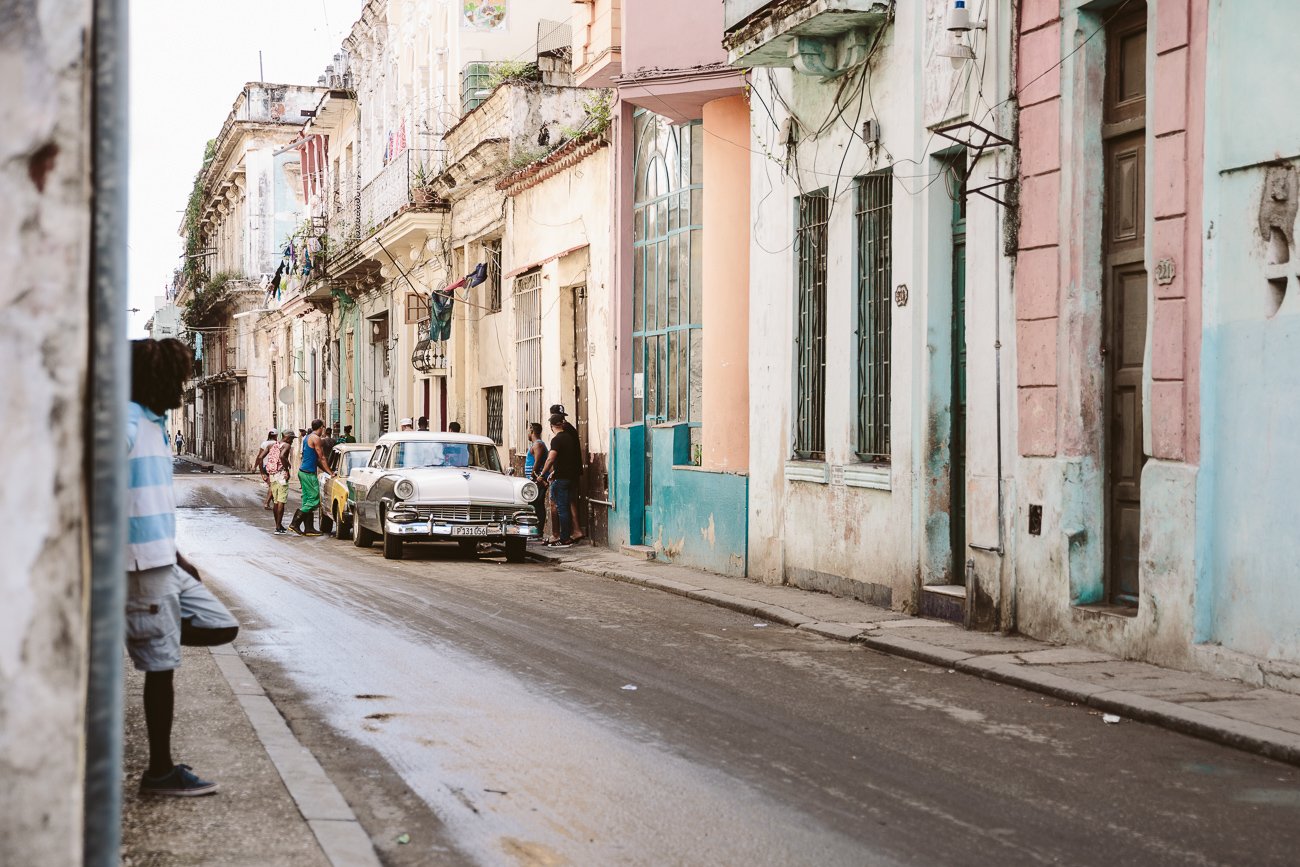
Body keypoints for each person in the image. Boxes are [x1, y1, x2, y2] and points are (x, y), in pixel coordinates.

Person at [126, 338, 239, 796]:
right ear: (153, 379)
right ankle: (159, 772)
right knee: (161, 666)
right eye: (175, 377)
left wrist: (177, 557)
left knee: (220, 623)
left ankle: (143, 630)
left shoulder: (154, 424)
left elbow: (147, 497)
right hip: (136, 567)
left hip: (161, 560)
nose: (182, 386)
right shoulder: (127, 425)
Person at [538, 413, 580, 548]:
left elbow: (551, 458)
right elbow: (567, 458)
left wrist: (542, 474)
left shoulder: (556, 440)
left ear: (551, 426)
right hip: (569, 477)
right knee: (565, 506)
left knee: (561, 508)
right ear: (562, 424)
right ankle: (564, 536)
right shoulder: (569, 438)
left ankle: (564, 537)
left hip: (561, 478)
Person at [548, 404, 585, 541]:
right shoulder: (570, 429)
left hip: (565, 472)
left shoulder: (562, 432)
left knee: (561, 503)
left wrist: (551, 471)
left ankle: (560, 534)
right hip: (572, 470)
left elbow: (559, 454)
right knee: (570, 501)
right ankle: (575, 530)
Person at [290, 419, 329, 536]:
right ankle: (294, 523)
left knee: (307, 500)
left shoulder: (308, 437)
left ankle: (309, 528)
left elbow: (314, 459)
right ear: (321, 427)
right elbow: (321, 458)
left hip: (304, 471)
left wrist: (326, 469)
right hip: (308, 473)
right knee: (314, 499)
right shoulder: (316, 438)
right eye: (323, 427)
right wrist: (330, 472)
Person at [264, 430, 293, 533]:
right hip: (281, 475)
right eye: (292, 438)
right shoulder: (286, 445)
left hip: (273, 474)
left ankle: (278, 525)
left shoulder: (274, 445)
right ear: (287, 437)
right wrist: (286, 470)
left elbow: (260, 457)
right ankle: (277, 527)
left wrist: (264, 473)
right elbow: (282, 456)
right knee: (281, 501)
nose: (292, 441)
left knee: (276, 501)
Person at [525, 422, 549, 537]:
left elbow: (538, 462)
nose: (527, 434)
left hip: (537, 481)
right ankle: (536, 530)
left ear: (531, 431)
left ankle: (538, 531)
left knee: (537, 504)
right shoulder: (535, 444)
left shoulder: (538, 445)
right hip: (535, 480)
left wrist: (532, 477)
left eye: (528, 432)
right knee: (534, 504)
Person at [255, 429, 278, 510]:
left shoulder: (264, 444)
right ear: (276, 435)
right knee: (273, 485)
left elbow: (259, 457)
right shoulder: (277, 444)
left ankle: (274, 502)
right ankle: (267, 503)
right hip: (273, 468)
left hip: (265, 467)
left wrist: (259, 470)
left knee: (272, 485)